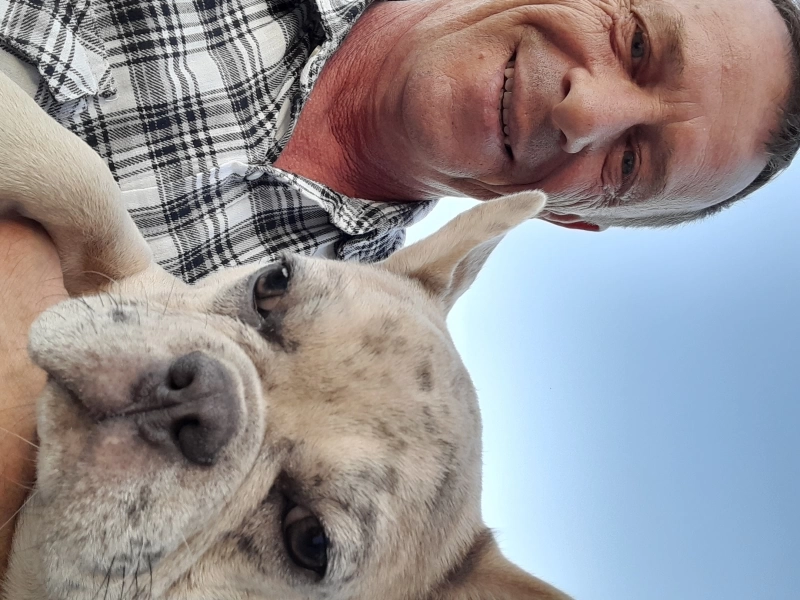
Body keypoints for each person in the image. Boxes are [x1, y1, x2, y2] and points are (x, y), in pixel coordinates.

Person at [1, 0, 799, 575]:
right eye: (635, 40)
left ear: (572, 218)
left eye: (627, 162)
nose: (584, 110)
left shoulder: (360, 380)